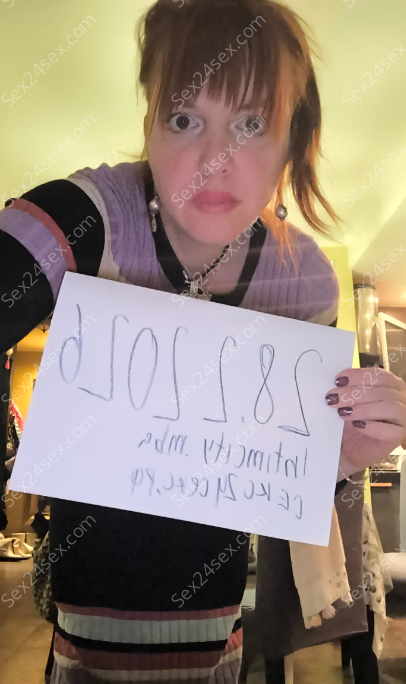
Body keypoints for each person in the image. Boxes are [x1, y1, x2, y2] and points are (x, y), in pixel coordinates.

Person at [1, 0, 405, 681]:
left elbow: (281, 474)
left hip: (218, 637)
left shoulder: (303, 280)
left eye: (251, 124)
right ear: (149, 122)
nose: (214, 162)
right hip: (81, 639)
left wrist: (340, 456)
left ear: (292, 138)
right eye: (185, 118)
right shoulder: (88, 220)